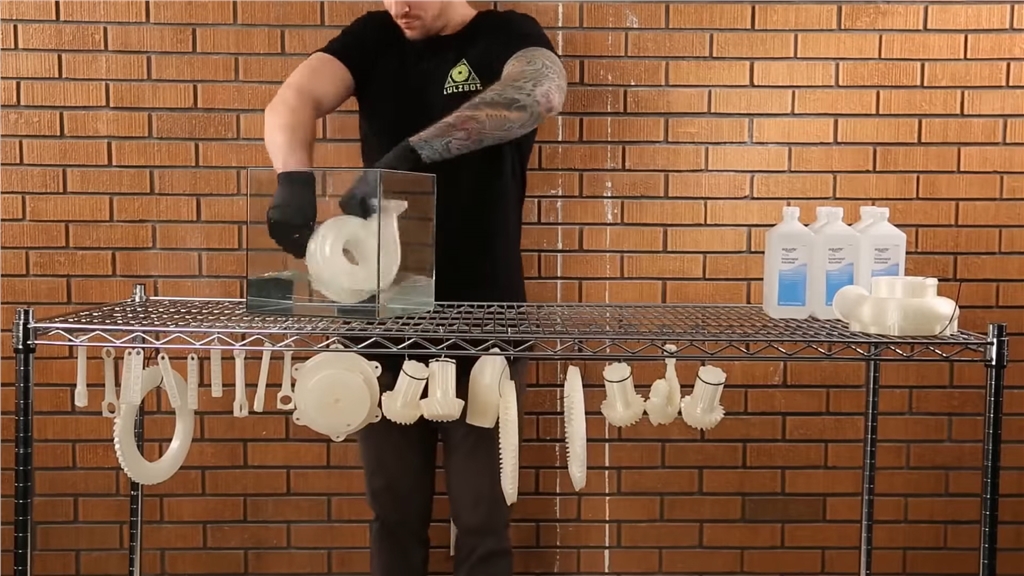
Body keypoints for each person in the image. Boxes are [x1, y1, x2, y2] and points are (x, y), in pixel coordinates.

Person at [261, 2, 567, 575]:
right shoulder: (375, 37)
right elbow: (295, 97)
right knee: (394, 518)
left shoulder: (507, 32)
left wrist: (411, 155)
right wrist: (293, 176)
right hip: (381, 324)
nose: (399, 4)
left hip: (484, 325)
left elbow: (538, 93)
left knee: (482, 522)